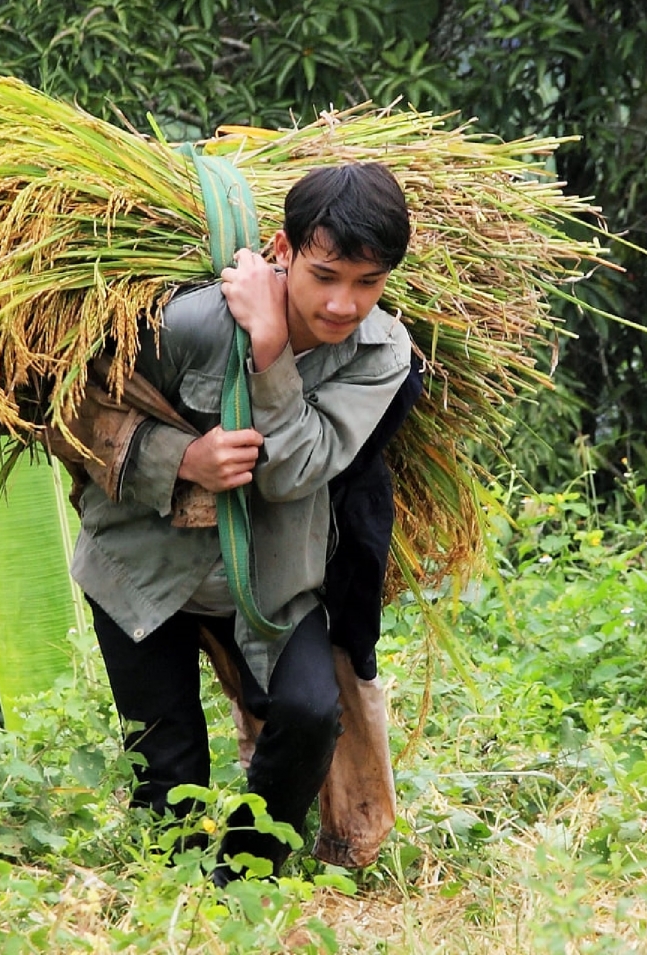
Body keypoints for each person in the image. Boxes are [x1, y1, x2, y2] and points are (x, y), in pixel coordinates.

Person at [68, 162, 414, 882]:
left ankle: (246, 878)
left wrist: (269, 350)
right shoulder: (185, 322)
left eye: (368, 282)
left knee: (313, 713)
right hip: (141, 568)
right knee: (169, 778)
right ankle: (180, 897)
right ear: (282, 251)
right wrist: (181, 457)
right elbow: (70, 410)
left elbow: (297, 470)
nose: (345, 303)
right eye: (326, 275)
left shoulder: (383, 355)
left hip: (271, 575)